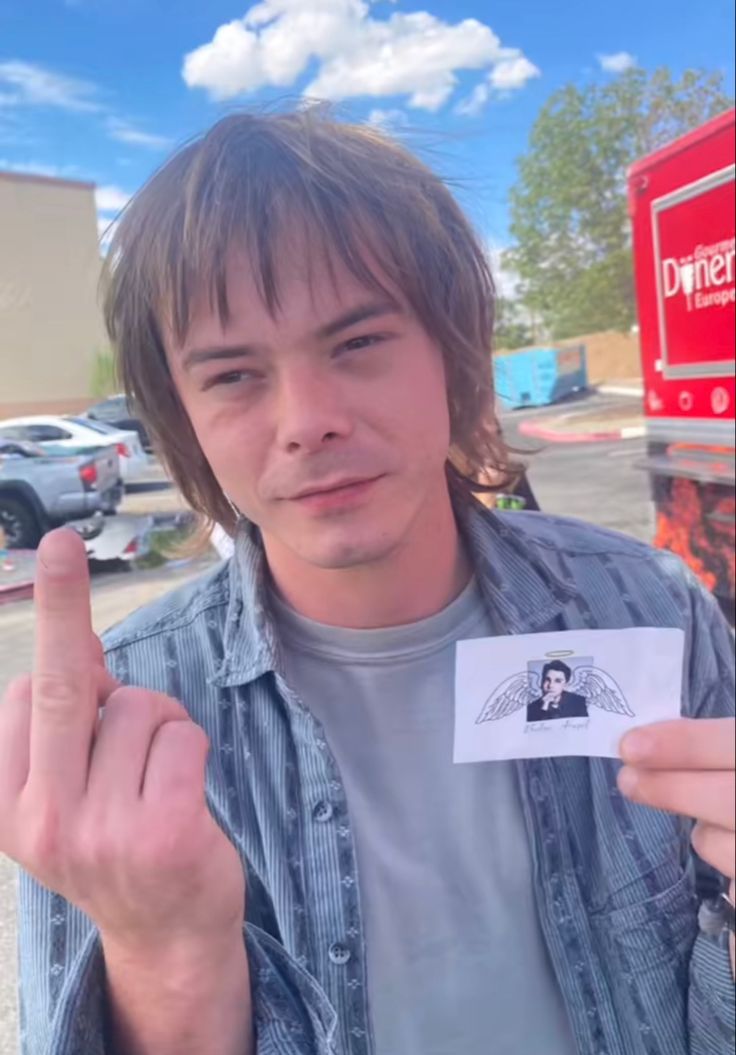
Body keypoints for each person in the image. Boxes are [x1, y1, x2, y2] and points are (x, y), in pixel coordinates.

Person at [1, 109, 734, 1055]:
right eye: (232, 375)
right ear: (183, 419)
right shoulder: (121, 723)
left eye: (357, 343)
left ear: (452, 353)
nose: (308, 420)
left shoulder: (652, 609)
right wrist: (166, 960)